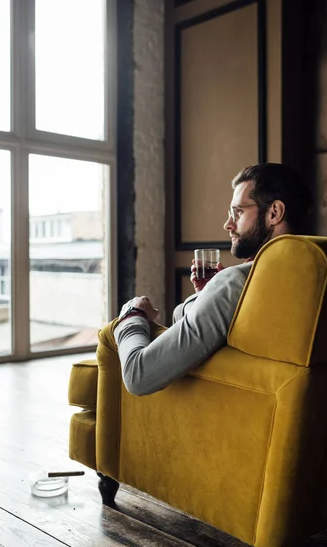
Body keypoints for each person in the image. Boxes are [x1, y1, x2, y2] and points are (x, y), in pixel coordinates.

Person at [113, 163, 312, 396]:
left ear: (274, 213)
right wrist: (208, 294)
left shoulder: (236, 282)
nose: (228, 224)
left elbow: (139, 375)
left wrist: (131, 316)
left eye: (238, 212)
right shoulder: (317, 271)